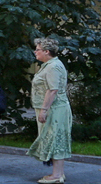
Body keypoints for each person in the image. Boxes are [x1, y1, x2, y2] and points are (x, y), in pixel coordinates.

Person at [27, 37, 72, 184]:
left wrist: (44, 110)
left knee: (55, 139)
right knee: (53, 138)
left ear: (47, 51)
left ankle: (57, 175)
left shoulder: (53, 66)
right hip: (52, 108)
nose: (35, 52)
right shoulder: (48, 65)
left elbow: (52, 90)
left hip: (55, 109)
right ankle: (58, 173)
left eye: (38, 49)